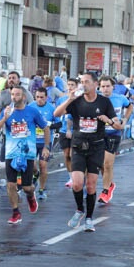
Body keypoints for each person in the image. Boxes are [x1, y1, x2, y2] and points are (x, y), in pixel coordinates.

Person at [53, 73, 115, 232]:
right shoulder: (76, 101)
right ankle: (80, 209)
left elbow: (116, 123)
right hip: (78, 146)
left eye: (86, 82)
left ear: (95, 84)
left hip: (96, 147)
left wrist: (109, 121)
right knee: (77, 183)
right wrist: (70, 99)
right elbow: (57, 114)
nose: (83, 84)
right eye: (81, 82)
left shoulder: (104, 102)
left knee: (91, 185)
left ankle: (89, 218)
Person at [0, 85, 49, 224]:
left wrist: (46, 147)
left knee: (26, 187)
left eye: (17, 94)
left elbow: (45, 128)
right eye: (12, 94)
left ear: (23, 97)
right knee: (11, 185)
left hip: (27, 154)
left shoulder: (32, 111)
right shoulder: (7, 111)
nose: (14, 97)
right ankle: (16, 212)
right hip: (11, 153)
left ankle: (31, 195)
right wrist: (4, 118)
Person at [96, 76, 129, 203]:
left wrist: (125, 119)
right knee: (100, 165)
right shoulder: (96, 99)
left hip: (113, 134)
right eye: (103, 86)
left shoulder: (120, 98)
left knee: (108, 164)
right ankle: (110, 184)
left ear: (113, 87)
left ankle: (105, 192)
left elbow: (129, 106)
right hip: (98, 134)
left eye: (108, 86)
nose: (105, 89)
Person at [28, 88, 57, 200]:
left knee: (43, 165)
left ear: (46, 97)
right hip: (32, 141)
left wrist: (49, 125)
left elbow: (59, 123)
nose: (39, 100)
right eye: (37, 97)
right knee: (32, 166)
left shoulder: (51, 108)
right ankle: (35, 174)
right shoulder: (30, 107)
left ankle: (42, 189)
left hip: (45, 142)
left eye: (42, 97)